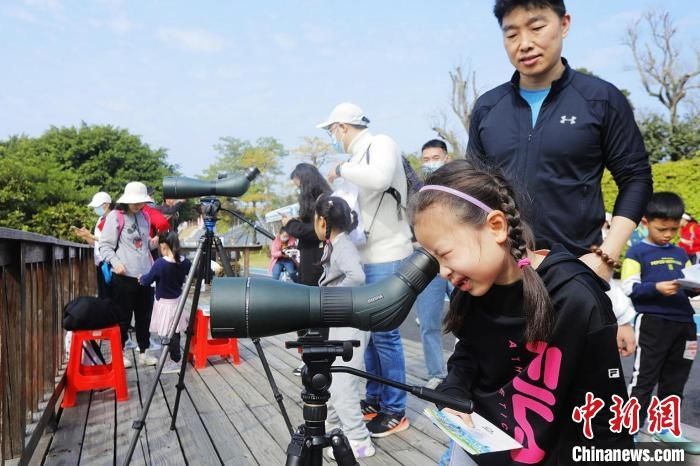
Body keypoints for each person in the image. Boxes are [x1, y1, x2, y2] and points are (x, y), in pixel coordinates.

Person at [411, 160, 633, 465]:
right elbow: (468, 355)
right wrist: (452, 392)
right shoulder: (474, 289)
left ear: (497, 227)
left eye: (445, 254)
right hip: (481, 449)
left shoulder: (576, 298)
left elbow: (606, 416)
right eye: (433, 259)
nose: (442, 272)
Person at [468, 0, 652, 282]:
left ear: (564, 24)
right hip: (501, 272)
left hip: (575, 271)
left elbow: (636, 178)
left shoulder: (600, 99)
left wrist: (608, 254)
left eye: (537, 27)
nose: (525, 43)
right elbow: (472, 191)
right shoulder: (488, 107)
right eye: (512, 34)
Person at [321, 102, 414, 437]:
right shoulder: (357, 157)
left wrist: (342, 170)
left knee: (385, 335)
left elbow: (378, 178)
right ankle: (375, 398)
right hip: (363, 256)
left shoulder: (380, 144)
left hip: (387, 253)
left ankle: (395, 409)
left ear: (343, 127)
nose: (333, 137)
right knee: (368, 336)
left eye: (332, 131)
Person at [622, 193, 700, 450]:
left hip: (685, 324)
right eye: (662, 228)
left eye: (673, 229)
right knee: (644, 378)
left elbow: (689, 284)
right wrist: (655, 287)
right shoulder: (637, 251)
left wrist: (695, 288)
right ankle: (630, 430)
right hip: (653, 322)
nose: (668, 234)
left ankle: (665, 427)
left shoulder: (680, 253)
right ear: (646, 222)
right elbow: (629, 287)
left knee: (676, 379)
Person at [312, 194, 374, 460]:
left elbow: (357, 277)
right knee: (335, 379)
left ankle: (359, 440)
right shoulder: (336, 243)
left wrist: (334, 295)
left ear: (323, 221)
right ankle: (335, 432)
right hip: (341, 321)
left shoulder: (343, 245)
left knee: (343, 382)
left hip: (352, 321)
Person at [99, 181, 159, 369]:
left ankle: (144, 352)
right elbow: (105, 246)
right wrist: (116, 264)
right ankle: (120, 352)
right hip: (124, 276)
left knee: (144, 316)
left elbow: (142, 243)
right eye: (135, 202)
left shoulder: (145, 217)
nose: (139, 205)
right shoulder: (115, 217)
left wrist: (153, 243)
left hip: (145, 275)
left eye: (141, 202)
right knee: (123, 317)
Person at [415, 139, 451, 389]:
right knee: (429, 323)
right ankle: (436, 373)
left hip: (460, 262)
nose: (431, 163)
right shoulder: (419, 193)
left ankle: (470, 368)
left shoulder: (463, 186)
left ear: (446, 158)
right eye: (426, 160)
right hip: (429, 265)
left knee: (472, 319)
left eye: (435, 158)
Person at [139, 232, 192, 375]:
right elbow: (195, 272)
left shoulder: (160, 264)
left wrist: (140, 278)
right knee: (174, 331)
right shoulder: (184, 262)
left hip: (163, 304)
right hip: (177, 302)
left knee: (168, 334)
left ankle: (175, 360)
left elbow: (148, 280)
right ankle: (173, 357)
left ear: (163, 246)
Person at [283, 163, 331, 287]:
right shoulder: (322, 199)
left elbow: (317, 231)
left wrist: (291, 224)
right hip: (311, 257)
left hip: (317, 259)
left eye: (300, 187)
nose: (299, 192)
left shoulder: (324, 201)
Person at [74, 191, 113, 299]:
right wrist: (85, 236)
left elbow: (109, 240)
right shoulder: (100, 219)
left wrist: (90, 235)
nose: (96, 209)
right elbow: (95, 242)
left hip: (110, 262)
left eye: (97, 206)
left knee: (109, 295)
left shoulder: (113, 218)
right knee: (103, 294)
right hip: (100, 262)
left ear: (106, 205)